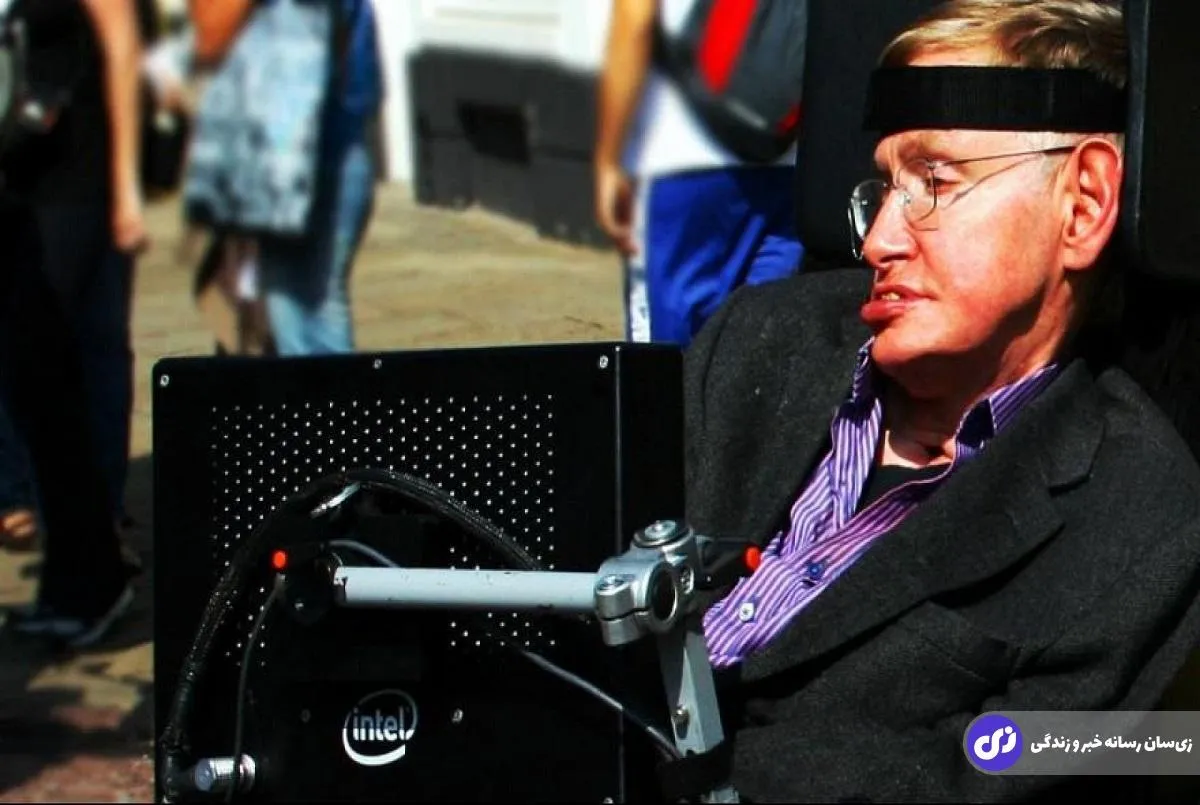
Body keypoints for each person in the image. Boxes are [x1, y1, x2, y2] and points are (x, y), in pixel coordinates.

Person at [683, 0, 1200, 800]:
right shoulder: (757, 342)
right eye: (882, 190)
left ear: (1085, 202)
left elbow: (995, 776)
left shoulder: (1146, 523)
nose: (878, 241)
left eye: (934, 181)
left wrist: (679, 761)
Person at [0, 0, 146, 647]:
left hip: (75, 188)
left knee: (57, 381)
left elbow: (121, 50)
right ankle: (77, 576)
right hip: (23, 187)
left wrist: (126, 187)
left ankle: (91, 579)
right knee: (36, 386)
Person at [594, 0, 804, 348]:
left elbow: (635, 21)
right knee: (759, 355)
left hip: (679, 164)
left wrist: (608, 161)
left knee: (663, 365)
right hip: (787, 164)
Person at [190, 0, 383, 357]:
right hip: (338, 149)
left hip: (299, 160)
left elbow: (213, 31)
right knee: (312, 319)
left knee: (308, 330)